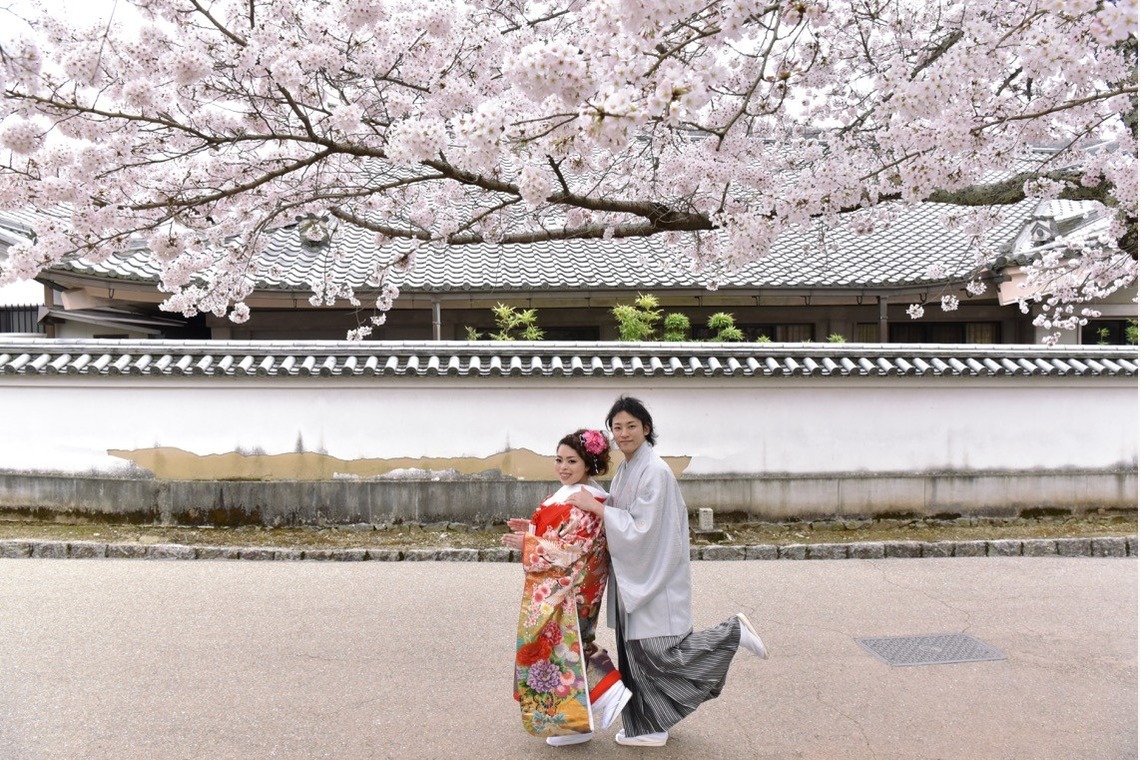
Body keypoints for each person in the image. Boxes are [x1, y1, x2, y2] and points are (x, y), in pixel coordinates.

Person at [567, 396, 769, 748]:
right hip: (637, 574)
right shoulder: (629, 468)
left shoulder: (655, 471)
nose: (623, 433)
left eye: (631, 426)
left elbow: (642, 528)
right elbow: (622, 515)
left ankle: (731, 633)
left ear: (646, 429)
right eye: (617, 427)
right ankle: (647, 727)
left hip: (653, 575)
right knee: (637, 658)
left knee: (661, 655)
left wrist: (598, 510)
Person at [503, 428, 633, 747]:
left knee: (566, 646)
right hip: (569, 580)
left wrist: (529, 544)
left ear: (588, 463)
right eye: (559, 459)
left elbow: (574, 546)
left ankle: (609, 689)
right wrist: (531, 529)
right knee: (565, 648)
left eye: (572, 461)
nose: (563, 467)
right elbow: (561, 533)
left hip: (575, 584)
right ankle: (577, 725)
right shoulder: (572, 493)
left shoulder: (588, 499)